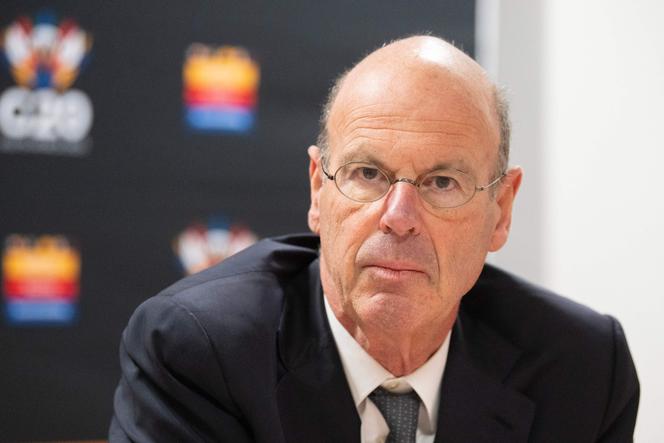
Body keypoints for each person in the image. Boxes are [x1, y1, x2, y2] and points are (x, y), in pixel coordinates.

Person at [109, 36, 639, 442]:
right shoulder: (201, 352)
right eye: (368, 174)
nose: (399, 217)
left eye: (442, 183)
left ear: (500, 211)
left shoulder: (583, 369)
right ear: (319, 191)